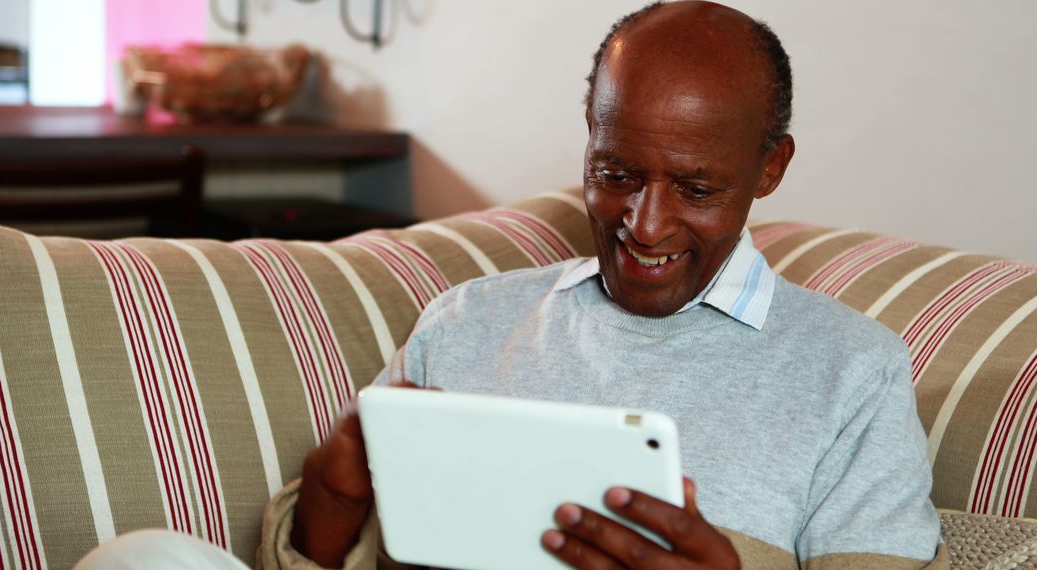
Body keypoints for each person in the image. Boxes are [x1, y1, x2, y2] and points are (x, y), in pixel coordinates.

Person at [77, 1, 947, 568]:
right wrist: (334, 497)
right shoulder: (469, 320)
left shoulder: (852, 370)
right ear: (587, 140)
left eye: (695, 188)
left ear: (770, 169)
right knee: (143, 559)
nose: (643, 225)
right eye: (614, 172)